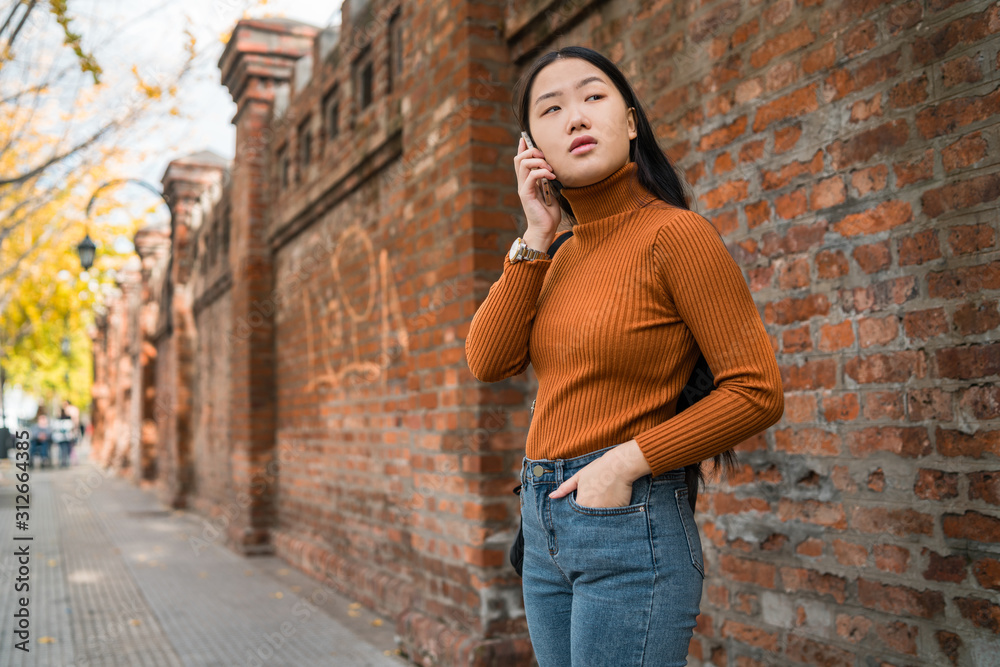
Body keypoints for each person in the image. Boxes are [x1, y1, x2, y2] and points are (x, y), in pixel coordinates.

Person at [464, 47, 785, 666]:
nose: (576, 118)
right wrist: (535, 234)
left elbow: (756, 391)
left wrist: (621, 466)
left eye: (593, 97)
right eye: (551, 109)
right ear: (533, 150)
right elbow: (488, 358)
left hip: (628, 527)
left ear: (631, 121)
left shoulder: (675, 235)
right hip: (543, 524)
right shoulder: (554, 257)